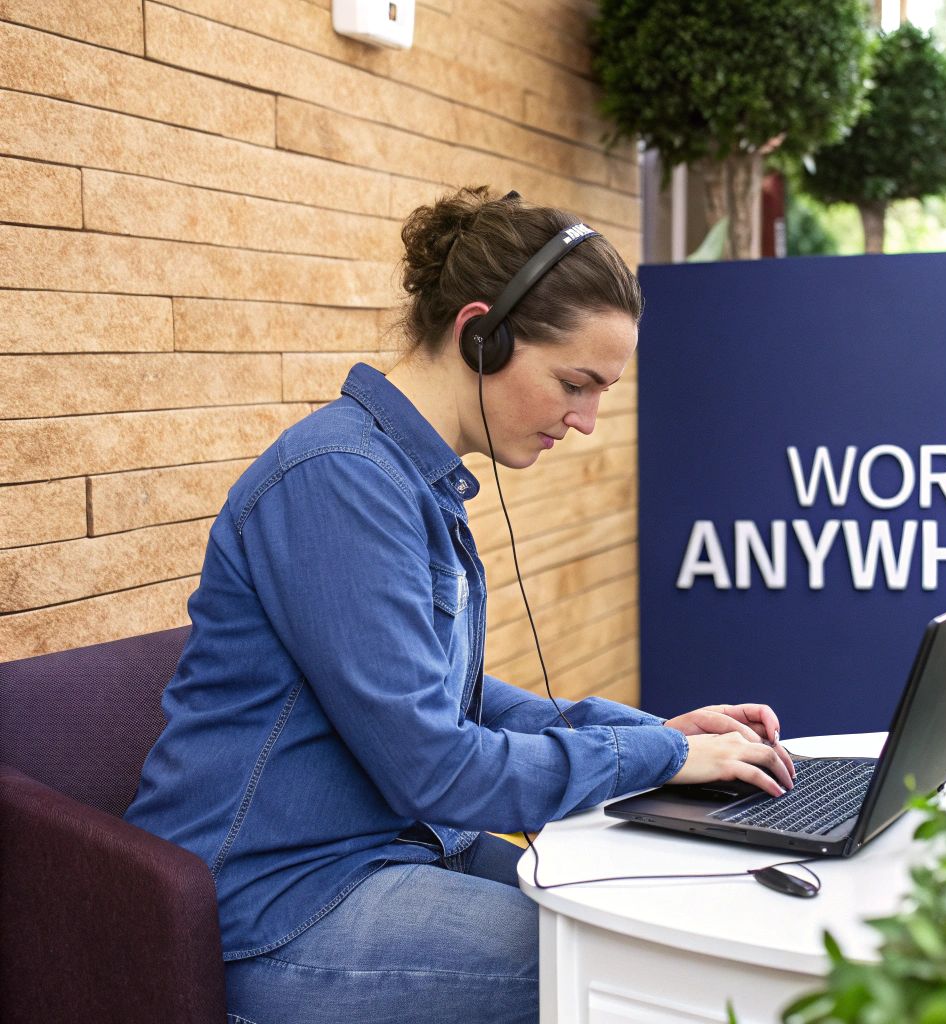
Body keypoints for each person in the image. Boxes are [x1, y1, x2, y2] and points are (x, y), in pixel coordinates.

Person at [126, 186, 796, 1024]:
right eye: (574, 383)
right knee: (632, 967)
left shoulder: (410, 480)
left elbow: (458, 701)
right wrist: (656, 761)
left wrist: (652, 736)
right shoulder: (340, 483)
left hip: (396, 849)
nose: (585, 421)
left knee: (668, 916)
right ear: (482, 334)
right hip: (280, 905)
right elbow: (434, 765)